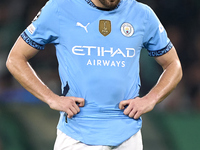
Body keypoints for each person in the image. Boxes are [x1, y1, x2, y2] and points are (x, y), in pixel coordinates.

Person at [6, 0, 182, 149]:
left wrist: (150, 99)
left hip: (128, 135)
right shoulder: (59, 8)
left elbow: (173, 64)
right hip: (77, 135)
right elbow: (15, 58)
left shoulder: (142, 14)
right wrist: (51, 98)